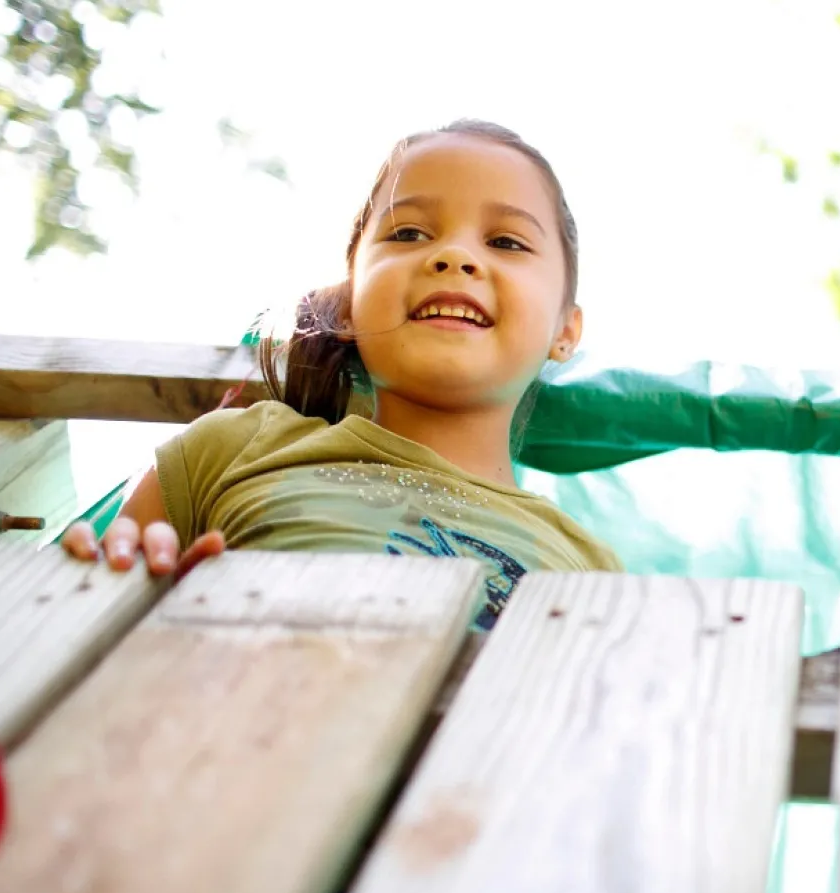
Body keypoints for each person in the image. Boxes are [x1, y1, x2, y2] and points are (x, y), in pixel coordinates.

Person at [62, 119, 621, 629]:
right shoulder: (231, 448)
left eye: (505, 242)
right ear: (351, 302)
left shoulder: (594, 574)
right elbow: (72, 622)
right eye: (407, 234)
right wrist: (120, 581)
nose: (453, 256)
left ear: (565, 331)